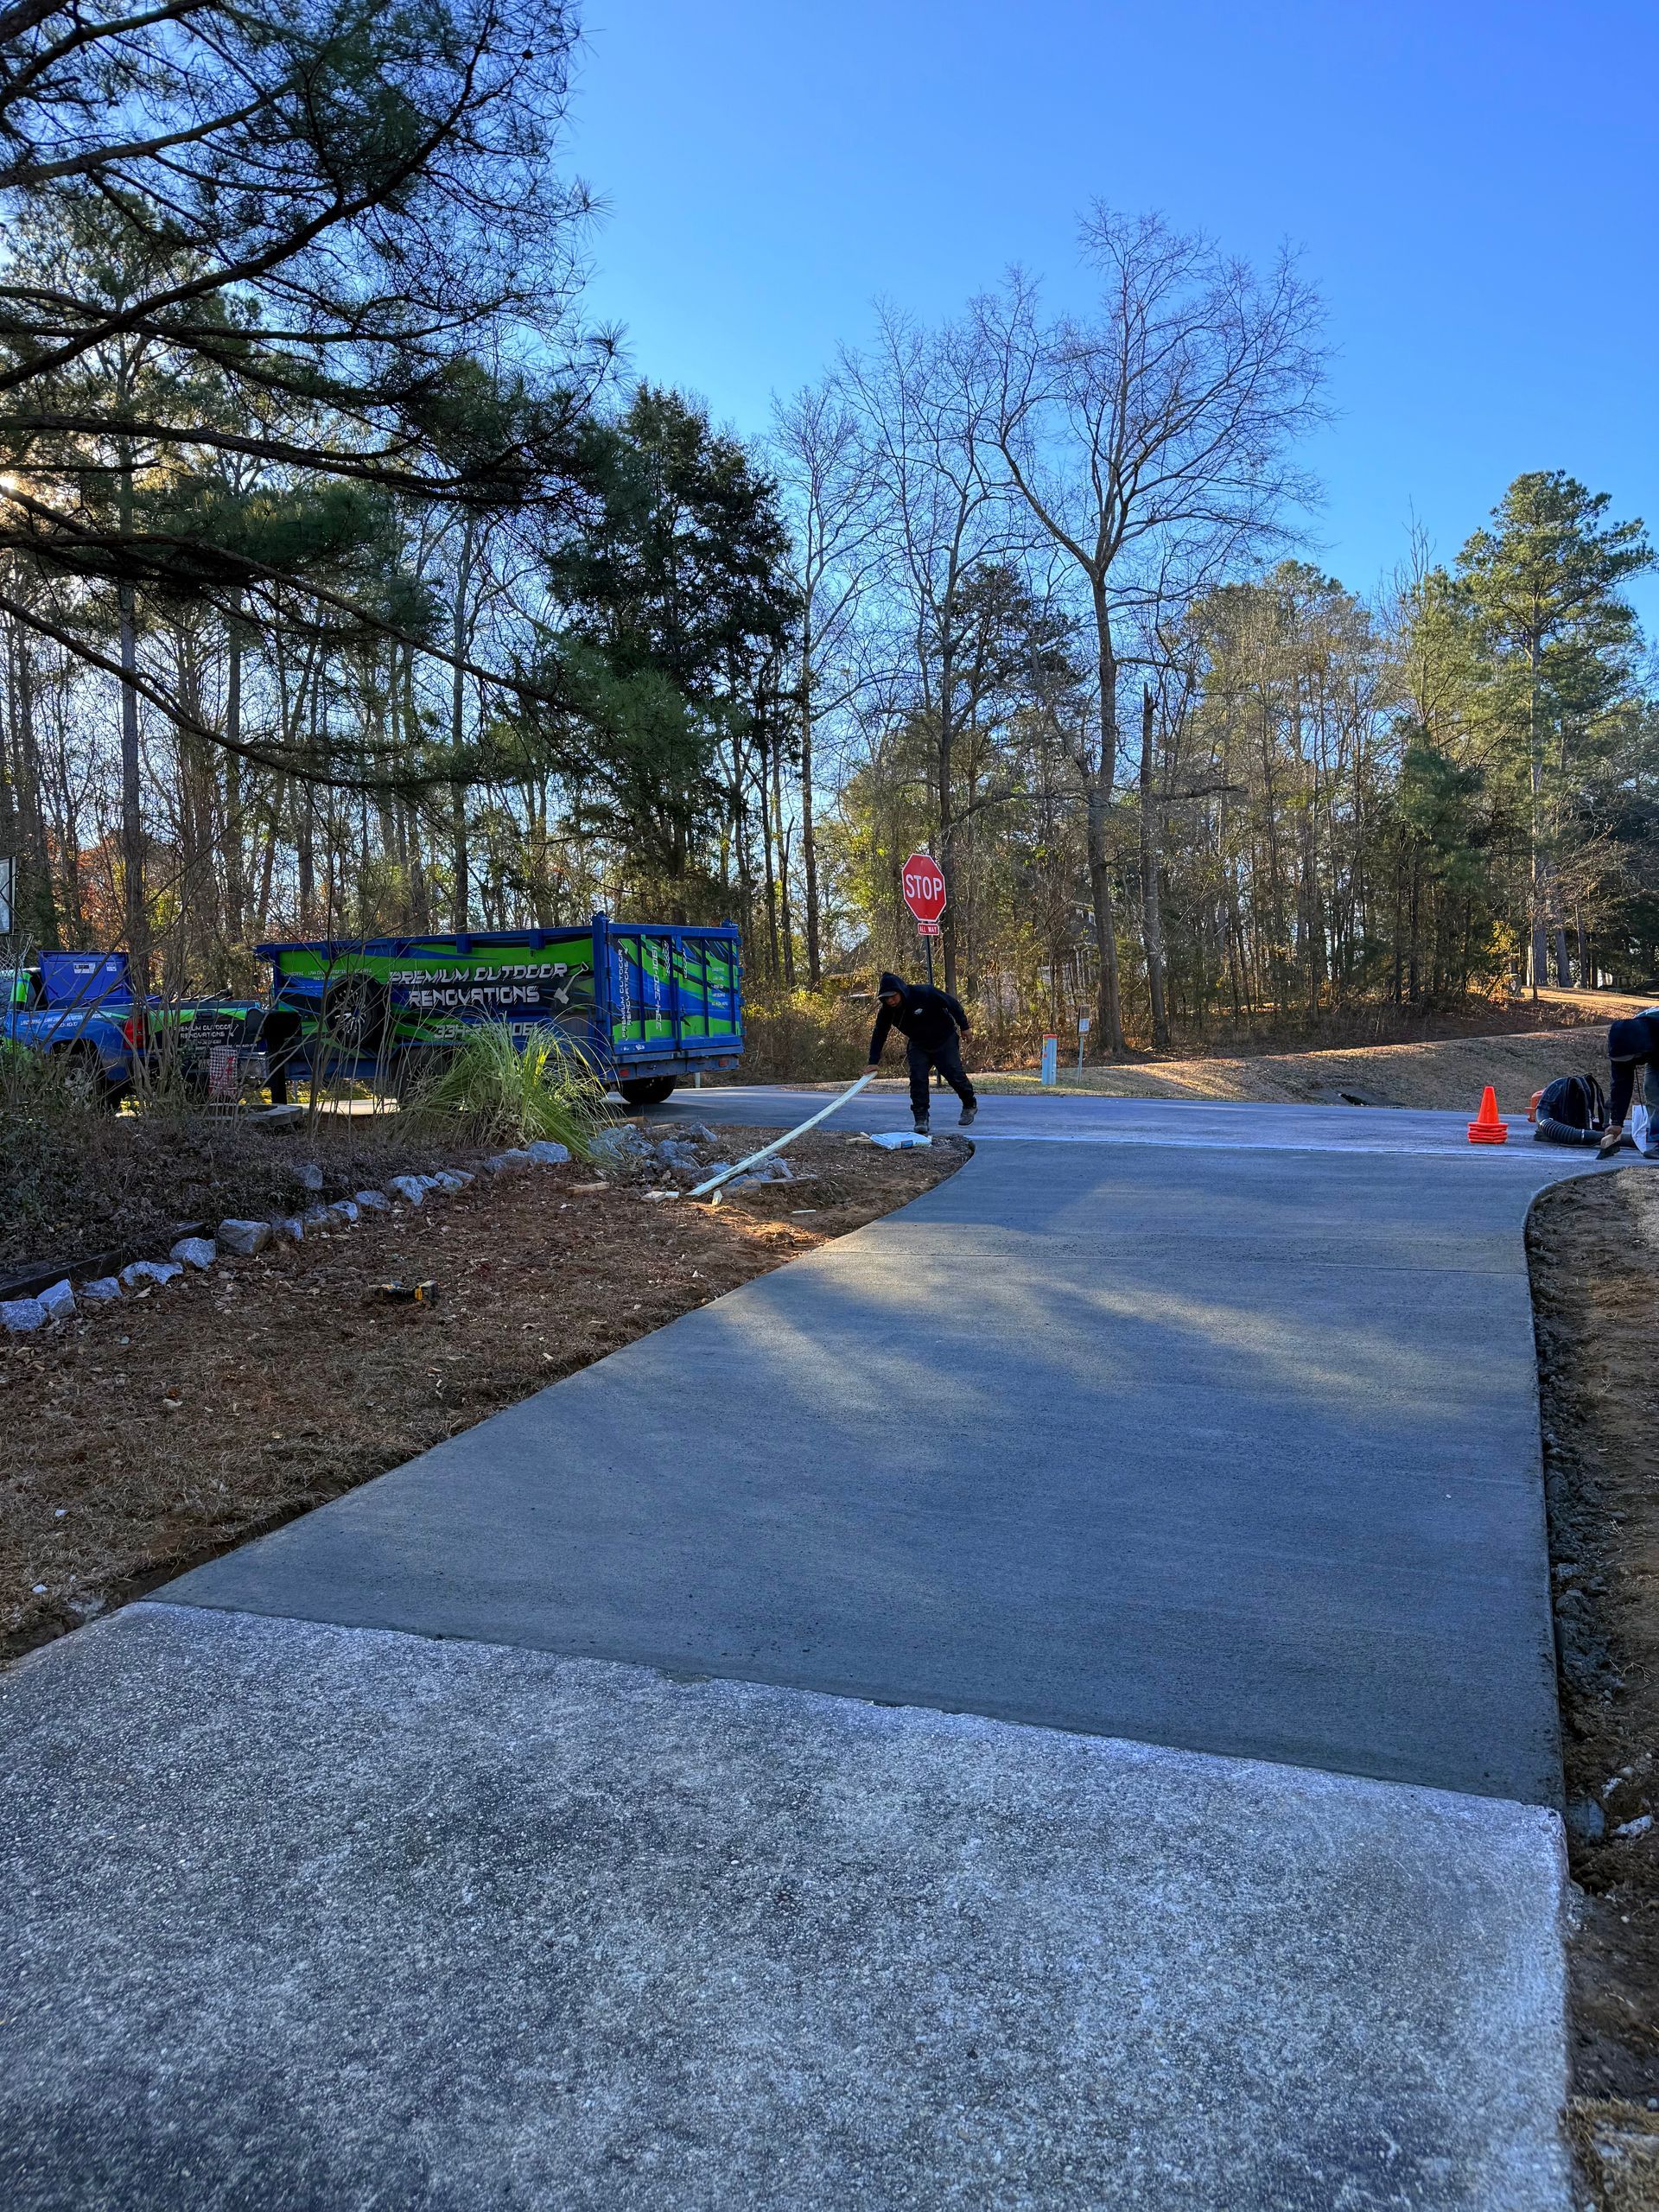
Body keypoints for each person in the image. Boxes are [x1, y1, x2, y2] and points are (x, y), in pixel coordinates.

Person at [866, 969, 977, 1135]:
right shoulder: (887, 1011)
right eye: (886, 998)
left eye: (893, 996)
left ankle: (969, 1104)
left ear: (901, 991)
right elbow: (880, 1033)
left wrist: (965, 1026)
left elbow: (952, 1004)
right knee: (917, 1079)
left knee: (954, 1074)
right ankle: (921, 1118)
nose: (890, 1001)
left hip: (944, 1038)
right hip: (918, 1044)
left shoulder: (924, 993)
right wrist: (873, 1061)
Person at [1597, 1007, 1659, 1158]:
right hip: (1654, 1049)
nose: (1626, 1064)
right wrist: (1617, 1122)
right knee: (1652, 1089)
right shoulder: (1623, 1041)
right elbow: (1620, 1085)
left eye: (1629, 1060)